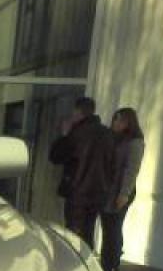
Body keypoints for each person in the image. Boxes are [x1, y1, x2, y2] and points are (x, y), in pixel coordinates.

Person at [49, 97, 115, 249]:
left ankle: (74, 267)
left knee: (74, 234)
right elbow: (114, 165)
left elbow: (56, 156)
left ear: (78, 112)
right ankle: (87, 263)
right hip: (99, 192)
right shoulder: (107, 134)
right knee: (88, 232)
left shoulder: (76, 134)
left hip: (77, 190)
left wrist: (64, 135)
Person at [100, 108, 145, 271]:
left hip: (120, 191)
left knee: (114, 228)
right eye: (115, 120)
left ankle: (112, 263)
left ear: (129, 123)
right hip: (108, 189)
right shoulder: (113, 139)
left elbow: (131, 170)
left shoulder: (135, 142)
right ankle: (107, 261)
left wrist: (124, 193)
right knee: (108, 228)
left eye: (120, 121)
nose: (116, 124)